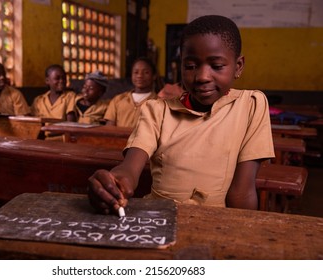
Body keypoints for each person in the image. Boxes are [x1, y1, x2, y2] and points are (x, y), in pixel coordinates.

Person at [88, 15, 275, 215]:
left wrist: (241, 235)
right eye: (190, 66)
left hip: (217, 220)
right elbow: (130, 168)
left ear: (238, 66)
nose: (202, 77)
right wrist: (116, 182)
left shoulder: (250, 105)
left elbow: (242, 192)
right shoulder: (156, 110)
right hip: (159, 217)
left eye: (217, 66)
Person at [103, 56, 158, 127]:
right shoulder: (118, 100)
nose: (140, 76)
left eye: (146, 72)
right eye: (136, 72)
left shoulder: (159, 103)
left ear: (154, 76)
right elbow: (109, 128)